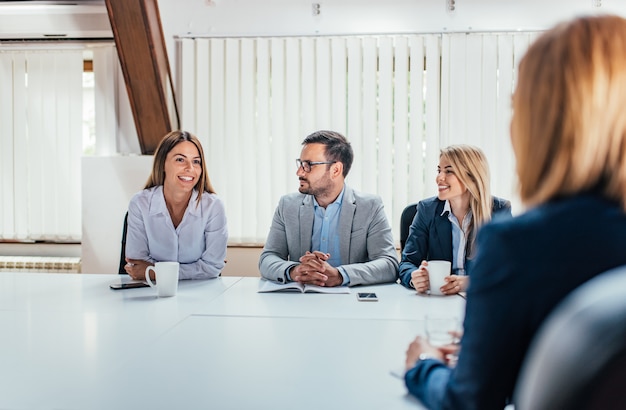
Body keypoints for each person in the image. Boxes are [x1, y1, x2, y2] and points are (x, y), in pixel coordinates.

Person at [403, 14, 626, 409]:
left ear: (541, 122)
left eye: (517, 107)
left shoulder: (519, 243)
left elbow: (469, 400)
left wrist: (422, 365)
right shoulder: (428, 211)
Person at [259, 130, 398, 287]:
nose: (299, 172)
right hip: (299, 301)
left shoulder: (370, 206)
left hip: (350, 303)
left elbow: (389, 264)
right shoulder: (287, 205)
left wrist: (340, 275)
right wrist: (295, 271)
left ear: (336, 170)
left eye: (309, 165)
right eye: (301, 164)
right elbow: (268, 258)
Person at [399, 145, 511, 294]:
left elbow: (509, 268)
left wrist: (472, 282)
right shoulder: (427, 209)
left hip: (480, 299)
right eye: (439, 170)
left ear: (472, 176)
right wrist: (414, 277)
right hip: (439, 300)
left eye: (449, 171)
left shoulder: (498, 210)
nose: (439, 178)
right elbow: (407, 262)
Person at [124, 130, 228, 280]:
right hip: (151, 291)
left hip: (200, 293)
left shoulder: (213, 207)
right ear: (163, 163)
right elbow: (137, 263)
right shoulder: (140, 203)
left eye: (196, 161)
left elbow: (212, 267)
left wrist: (155, 272)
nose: (190, 168)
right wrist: (194, 269)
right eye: (180, 160)